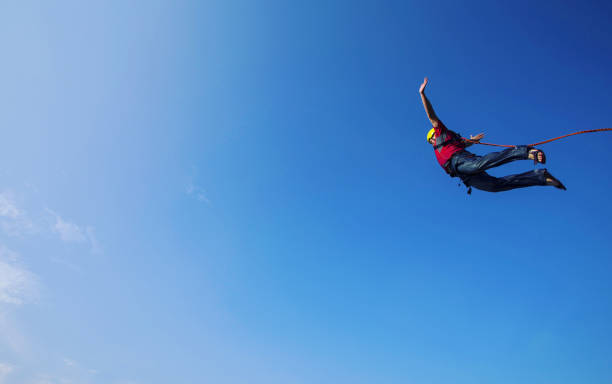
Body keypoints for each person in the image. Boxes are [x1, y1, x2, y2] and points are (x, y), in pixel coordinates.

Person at [419, 77, 566, 192]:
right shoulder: (446, 145)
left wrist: (422, 95)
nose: (431, 140)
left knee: (479, 164)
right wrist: (472, 140)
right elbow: (464, 143)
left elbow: (431, 116)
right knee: (495, 186)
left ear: (435, 134)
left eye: (431, 137)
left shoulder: (441, 133)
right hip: (463, 174)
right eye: (429, 140)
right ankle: (540, 177)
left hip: (460, 161)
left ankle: (526, 151)